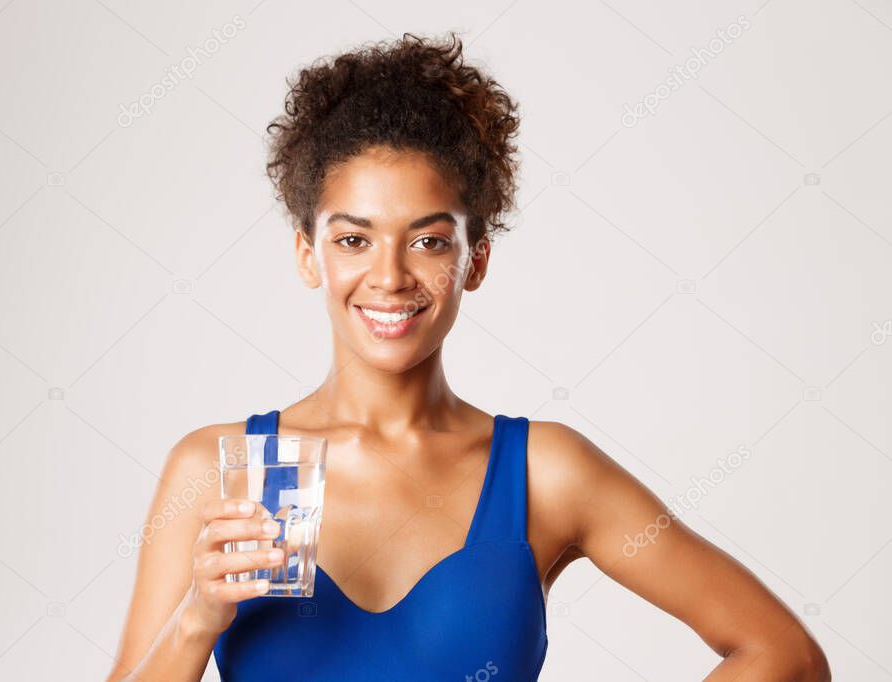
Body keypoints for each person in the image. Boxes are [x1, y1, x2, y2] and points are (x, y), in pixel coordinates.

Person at [105, 32, 830, 681]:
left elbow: (782, 655)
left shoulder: (543, 473)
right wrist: (197, 619)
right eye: (353, 239)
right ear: (307, 255)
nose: (388, 276)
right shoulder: (217, 472)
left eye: (428, 240)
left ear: (474, 260)